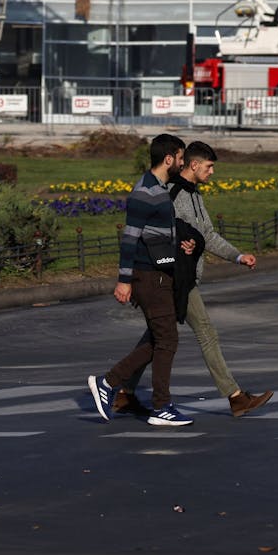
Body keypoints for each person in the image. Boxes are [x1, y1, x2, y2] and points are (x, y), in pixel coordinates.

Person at [114, 141, 271, 419]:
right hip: (173, 277)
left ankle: (124, 392)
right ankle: (235, 397)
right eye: (209, 167)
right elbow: (158, 233)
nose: (212, 172)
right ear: (193, 165)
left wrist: (237, 256)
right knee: (206, 333)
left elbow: (207, 235)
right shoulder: (171, 193)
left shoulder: (194, 194)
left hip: (183, 276)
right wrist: (180, 247)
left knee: (156, 336)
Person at [88, 133, 197, 427]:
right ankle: (160, 406)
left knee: (158, 339)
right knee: (167, 339)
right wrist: (124, 280)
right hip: (148, 277)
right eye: (181, 157)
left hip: (159, 272)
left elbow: (156, 234)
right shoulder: (145, 192)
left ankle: (108, 383)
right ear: (169, 158)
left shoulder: (158, 189)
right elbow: (130, 239)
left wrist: (181, 246)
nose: (183, 163)